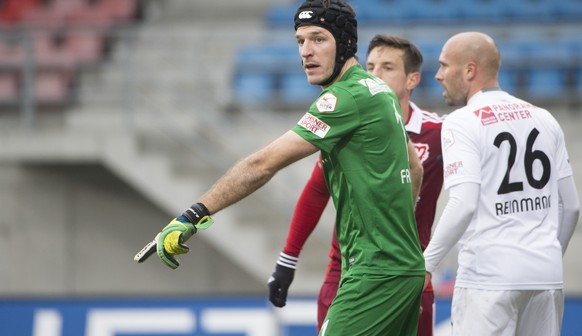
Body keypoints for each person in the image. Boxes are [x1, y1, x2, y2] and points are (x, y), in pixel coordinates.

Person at [138, 1, 425, 335]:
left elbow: (261, 165)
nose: (306, 51)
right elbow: (414, 167)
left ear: (346, 42)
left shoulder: (344, 99)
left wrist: (191, 216)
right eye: (300, 41)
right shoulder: (380, 91)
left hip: (375, 274)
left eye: (318, 39)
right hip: (403, 269)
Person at [267, 34, 445, 336]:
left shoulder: (438, 132)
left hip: (407, 268)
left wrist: (428, 263)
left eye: (387, 67)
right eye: (371, 65)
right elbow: (315, 192)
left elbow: (468, 195)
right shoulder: (346, 120)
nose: (374, 74)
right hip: (348, 267)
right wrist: (288, 258)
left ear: (412, 79)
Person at [423, 31, 580, 336]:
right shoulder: (545, 118)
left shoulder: (462, 121)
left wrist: (426, 265)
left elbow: (463, 203)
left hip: (488, 277)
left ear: (469, 70)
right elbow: (571, 207)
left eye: (444, 65)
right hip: (546, 275)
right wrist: (543, 257)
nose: (438, 75)